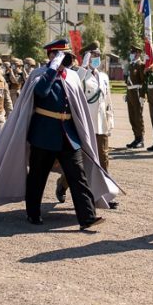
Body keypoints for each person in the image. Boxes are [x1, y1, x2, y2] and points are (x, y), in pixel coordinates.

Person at [0, 39, 120, 229]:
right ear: (51, 56)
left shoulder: (72, 76)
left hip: (68, 135)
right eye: (61, 56)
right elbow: (41, 91)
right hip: (43, 135)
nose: (65, 60)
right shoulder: (39, 74)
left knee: (78, 176)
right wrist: (52, 69)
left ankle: (87, 217)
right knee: (37, 176)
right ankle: (33, 213)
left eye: (66, 56)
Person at [56, 41, 117, 207]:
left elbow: (107, 101)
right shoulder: (77, 74)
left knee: (103, 161)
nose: (96, 59)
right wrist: (83, 67)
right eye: (93, 55)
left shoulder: (103, 76)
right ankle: (62, 184)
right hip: (84, 126)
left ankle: (103, 196)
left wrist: (110, 121)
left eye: (98, 56)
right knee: (80, 163)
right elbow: (74, 87)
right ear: (87, 57)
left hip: (101, 125)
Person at [124, 45, 146, 148]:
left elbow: (143, 81)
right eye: (131, 52)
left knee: (138, 116)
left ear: (138, 53)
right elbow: (128, 80)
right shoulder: (131, 65)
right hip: (130, 92)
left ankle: (140, 139)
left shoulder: (140, 65)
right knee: (132, 116)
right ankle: (136, 138)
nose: (131, 54)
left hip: (137, 93)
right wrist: (126, 92)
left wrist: (142, 95)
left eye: (133, 52)